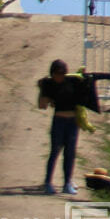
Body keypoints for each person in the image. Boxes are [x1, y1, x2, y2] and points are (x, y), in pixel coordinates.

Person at [36, 60, 85, 194]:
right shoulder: (49, 85)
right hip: (59, 121)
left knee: (70, 153)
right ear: (52, 74)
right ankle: (48, 182)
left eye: (63, 73)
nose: (60, 76)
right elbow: (42, 105)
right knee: (55, 151)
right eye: (57, 74)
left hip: (72, 122)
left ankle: (67, 182)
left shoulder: (72, 82)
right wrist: (41, 90)